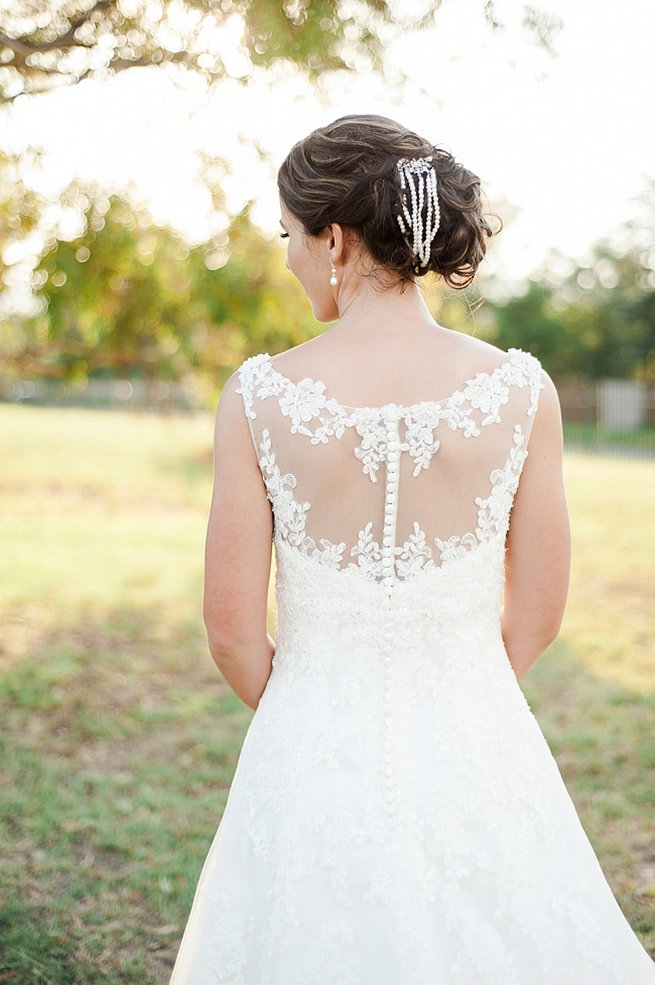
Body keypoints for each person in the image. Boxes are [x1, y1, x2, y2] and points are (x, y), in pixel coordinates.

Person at [169, 114, 655, 984]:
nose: (285, 258)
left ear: (335, 237)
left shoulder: (258, 396)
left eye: (287, 234)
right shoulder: (520, 390)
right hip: (480, 736)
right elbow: (537, 614)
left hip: (308, 741)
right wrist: (453, 705)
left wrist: (312, 721)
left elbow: (232, 633)